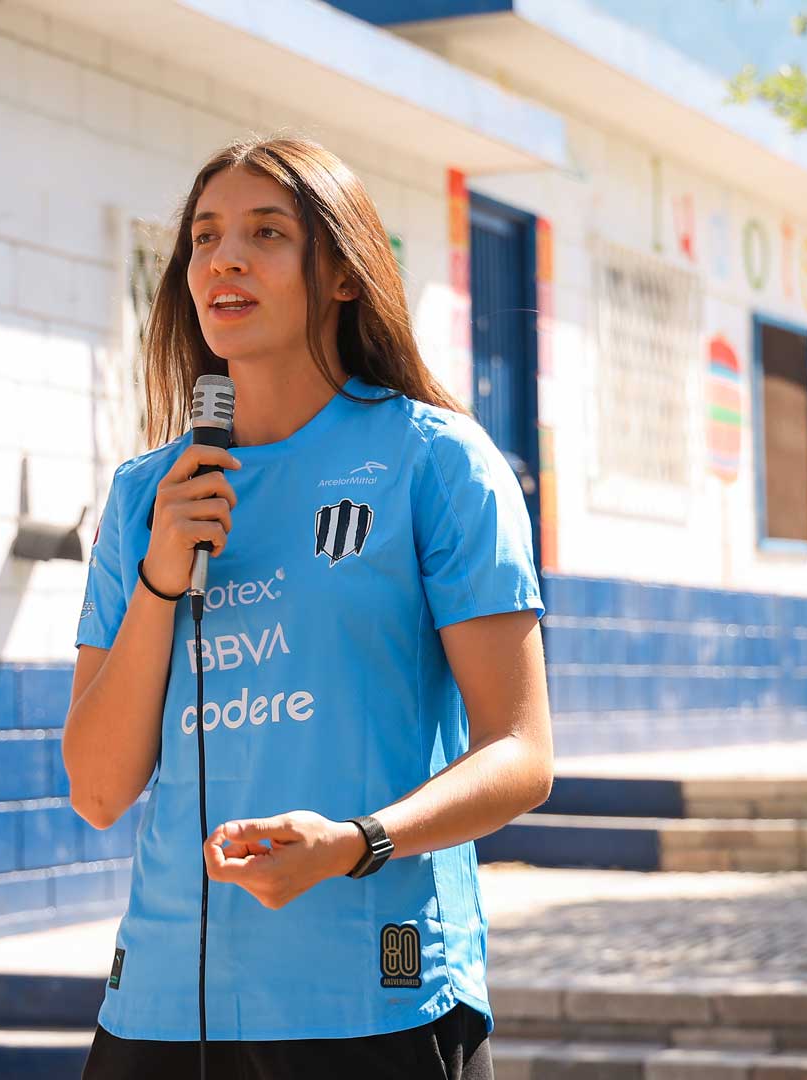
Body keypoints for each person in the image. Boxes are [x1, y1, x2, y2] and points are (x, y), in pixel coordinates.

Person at [63, 137, 554, 1079]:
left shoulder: (436, 462)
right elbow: (95, 789)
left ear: (341, 274)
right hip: (163, 1010)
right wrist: (162, 577)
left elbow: (522, 755)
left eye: (266, 233)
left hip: (375, 999)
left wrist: (357, 843)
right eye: (204, 238)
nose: (224, 260)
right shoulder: (146, 496)